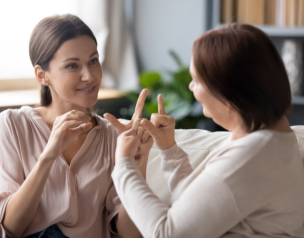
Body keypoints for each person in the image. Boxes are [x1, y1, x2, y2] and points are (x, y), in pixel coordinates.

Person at [111, 24, 304, 238]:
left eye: (197, 80)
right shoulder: (268, 135)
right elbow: (196, 208)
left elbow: (166, 233)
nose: (191, 87)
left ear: (229, 94)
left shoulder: (252, 157)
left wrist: (123, 165)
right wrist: (168, 149)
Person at [0, 14, 150, 238]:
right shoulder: (12, 124)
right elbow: (9, 228)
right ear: (42, 75)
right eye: (72, 66)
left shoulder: (111, 136)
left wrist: (136, 164)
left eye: (93, 61)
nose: (89, 76)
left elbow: (129, 234)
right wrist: (49, 154)